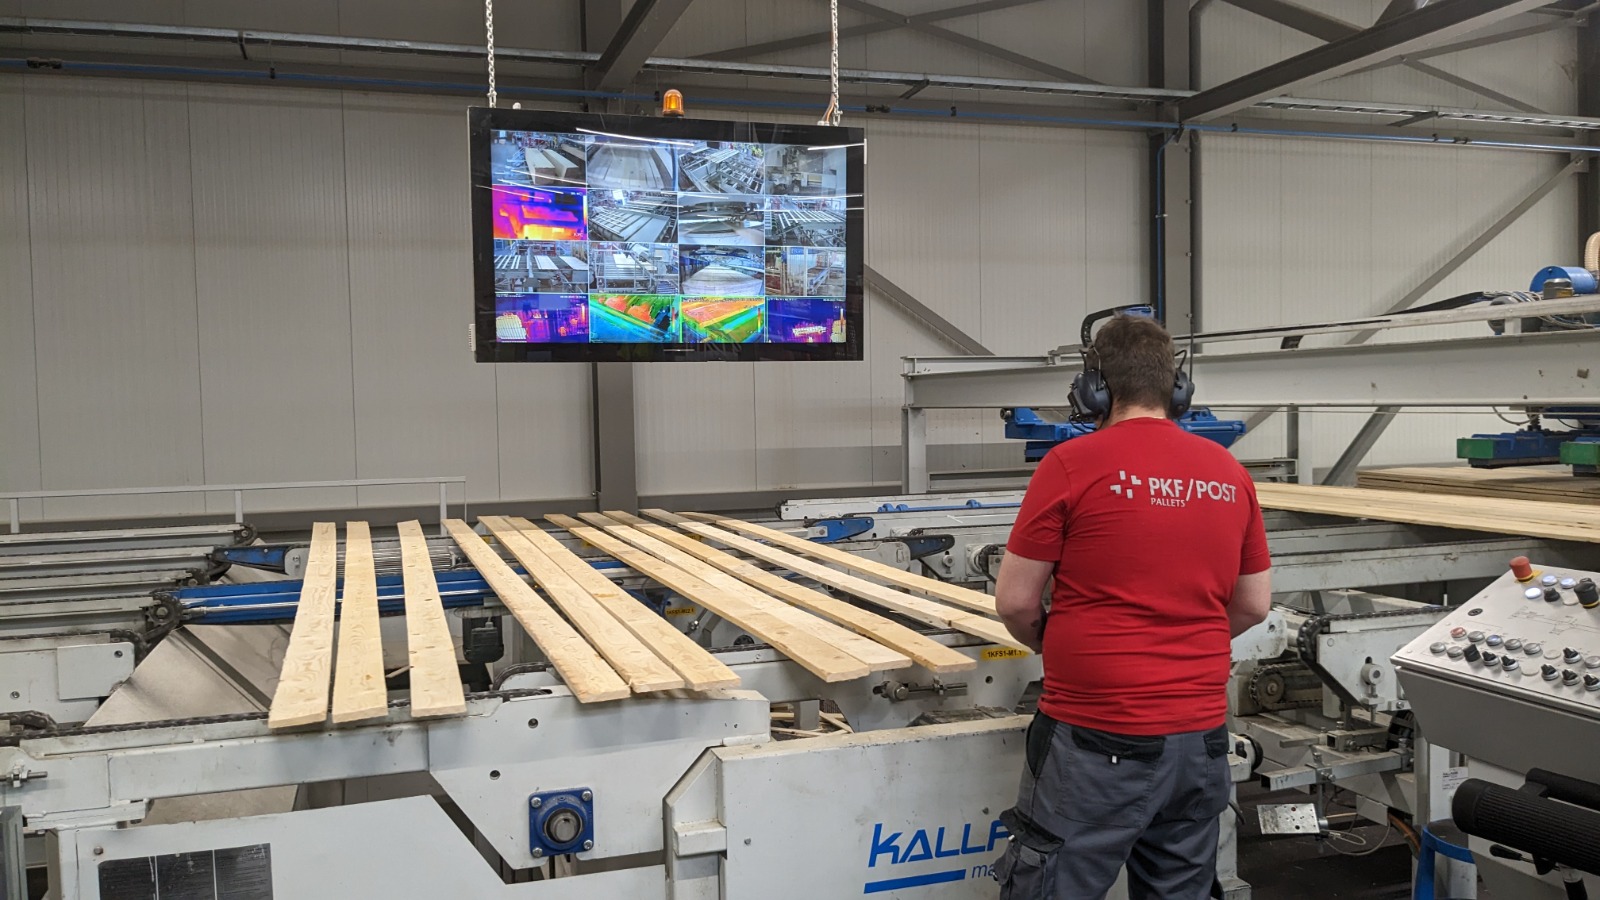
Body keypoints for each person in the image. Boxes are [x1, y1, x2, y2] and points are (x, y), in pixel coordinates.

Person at [990, 314, 1272, 900]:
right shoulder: (1230, 473)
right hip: (1200, 741)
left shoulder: (1070, 464)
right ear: (1177, 388)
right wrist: (1185, 641)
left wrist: (1060, 641)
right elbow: (1253, 604)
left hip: (1094, 740)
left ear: (1094, 387)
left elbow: (1015, 602)